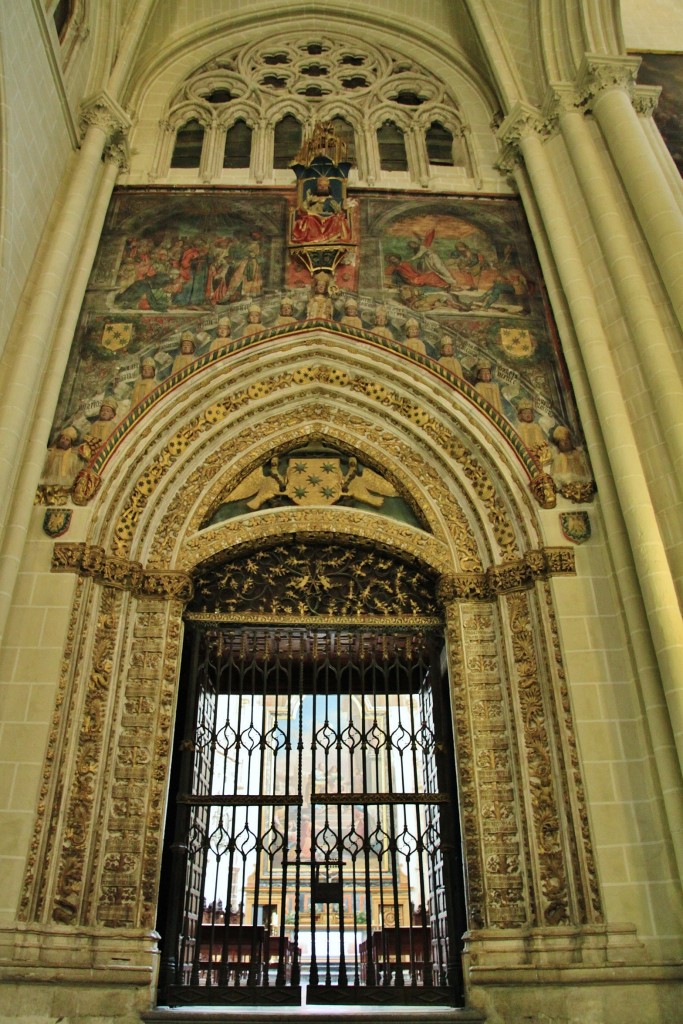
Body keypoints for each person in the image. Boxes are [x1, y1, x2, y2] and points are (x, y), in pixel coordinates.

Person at [291, 175, 352, 243]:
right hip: (314, 219)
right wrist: (309, 201)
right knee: (309, 219)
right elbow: (302, 210)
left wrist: (340, 209)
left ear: (328, 187)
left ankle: (330, 238)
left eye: (325, 186)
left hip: (329, 220)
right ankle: (313, 239)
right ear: (317, 187)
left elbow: (339, 211)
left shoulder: (333, 200)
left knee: (337, 219)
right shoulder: (311, 199)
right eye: (320, 186)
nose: (322, 187)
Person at [515, 398, 550, 464]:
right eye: (525, 413)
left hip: (537, 455)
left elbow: (540, 441)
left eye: (529, 412)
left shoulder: (536, 427)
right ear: (520, 415)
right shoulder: (520, 427)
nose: (528, 415)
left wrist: (540, 449)